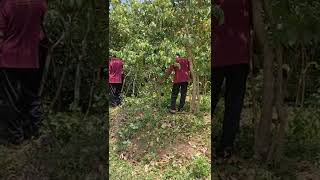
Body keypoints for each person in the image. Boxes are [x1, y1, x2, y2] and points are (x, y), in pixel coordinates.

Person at [0, 0, 47, 144]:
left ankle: (15, 137)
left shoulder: (6, 3)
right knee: (31, 97)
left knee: (10, 99)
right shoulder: (40, 4)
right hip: (32, 58)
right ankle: (36, 132)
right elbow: (40, 35)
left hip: (9, 58)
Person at [212, 0, 253, 158]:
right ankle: (225, 148)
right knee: (233, 106)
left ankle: (223, 146)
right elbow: (255, 25)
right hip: (235, 57)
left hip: (221, 56)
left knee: (224, 103)